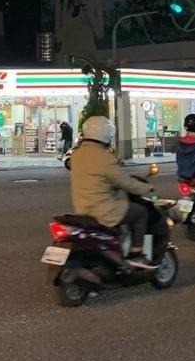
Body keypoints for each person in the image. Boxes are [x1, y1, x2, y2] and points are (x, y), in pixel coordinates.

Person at [69, 115, 163, 270]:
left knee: (125, 209)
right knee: (139, 212)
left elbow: (94, 179)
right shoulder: (103, 157)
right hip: (102, 210)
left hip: (83, 208)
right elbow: (126, 183)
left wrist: (111, 186)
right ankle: (136, 253)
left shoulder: (76, 154)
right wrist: (147, 188)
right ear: (105, 134)